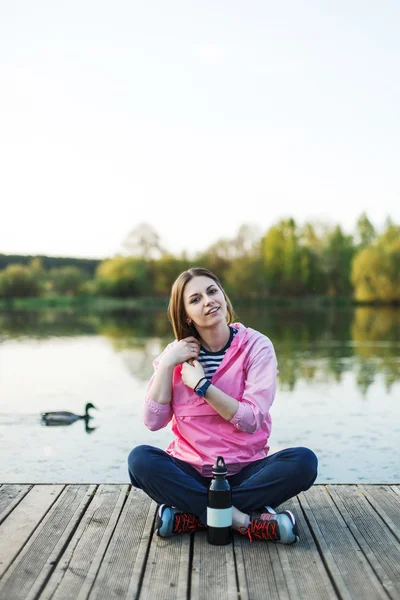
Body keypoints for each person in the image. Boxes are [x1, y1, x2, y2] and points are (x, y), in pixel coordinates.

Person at [128, 267, 318, 543]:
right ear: (185, 316)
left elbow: (252, 419)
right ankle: (244, 521)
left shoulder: (257, 346)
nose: (208, 301)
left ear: (224, 296)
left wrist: (203, 387)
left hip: (245, 473)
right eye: (195, 299)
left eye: (212, 291)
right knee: (140, 460)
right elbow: (153, 422)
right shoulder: (175, 354)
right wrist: (168, 363)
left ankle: (193, 515)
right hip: (190, 472)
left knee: (303, 461)